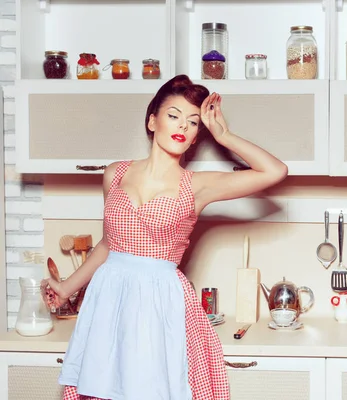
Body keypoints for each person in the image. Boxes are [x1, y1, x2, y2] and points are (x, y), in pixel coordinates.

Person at [41, 74, 288, 400]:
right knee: (102, 387)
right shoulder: (115, 173)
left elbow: (275, 171)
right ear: (152, 120)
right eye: (173, 115)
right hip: (111, 300)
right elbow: (109, 244)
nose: (182, 127)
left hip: (163, 302)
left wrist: (225, 136)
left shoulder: (197, 185)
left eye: (193, 123)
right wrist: (65, 287)